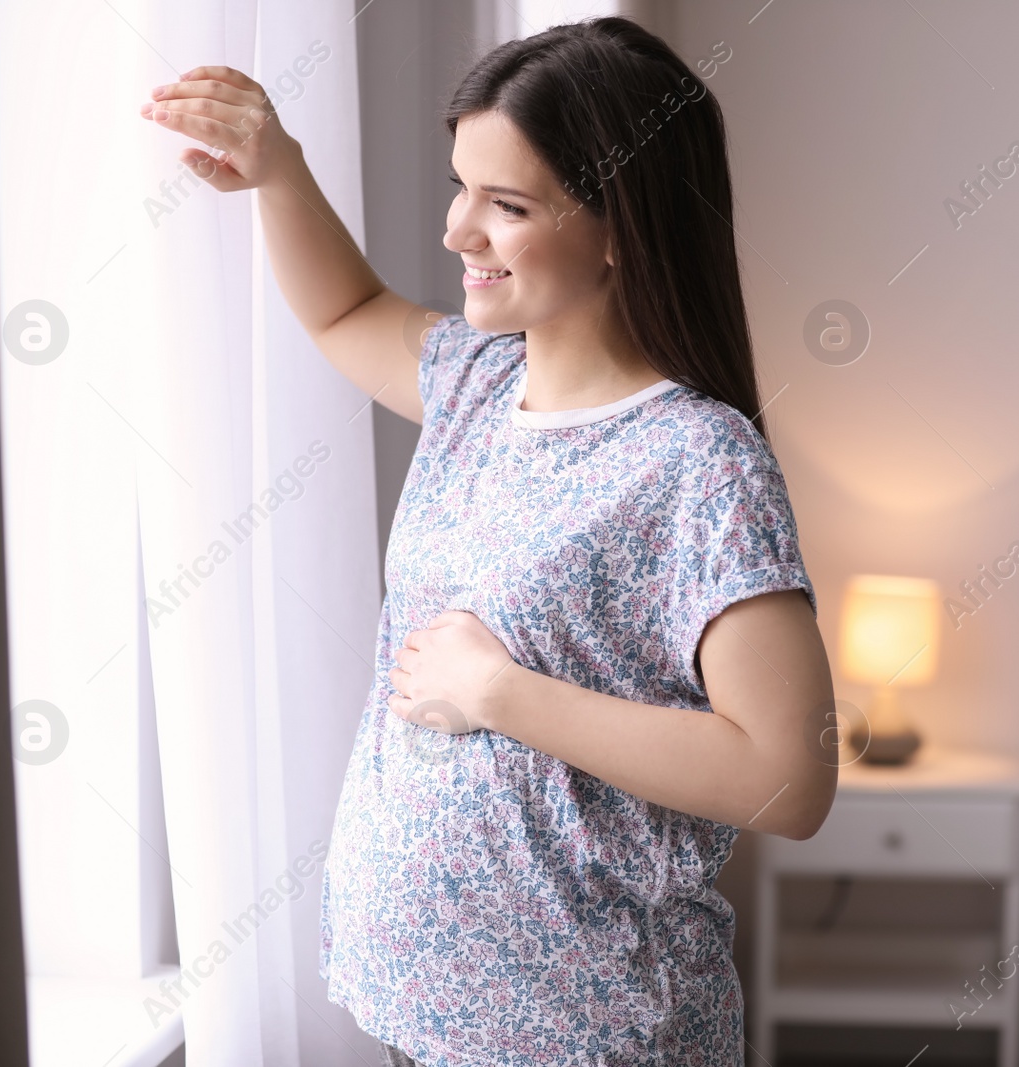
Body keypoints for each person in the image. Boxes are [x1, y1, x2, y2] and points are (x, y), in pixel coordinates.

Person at [141, 16, 836, 1066]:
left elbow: (790, 775)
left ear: (620, 227)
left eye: (506, 205)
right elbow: (344, 312)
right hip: (427, 1020)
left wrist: (499, 692)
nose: (458, 230)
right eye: (462, 185)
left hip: (589, 1034)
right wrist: (278, 173)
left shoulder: (699, 461)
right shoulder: (477, 379)